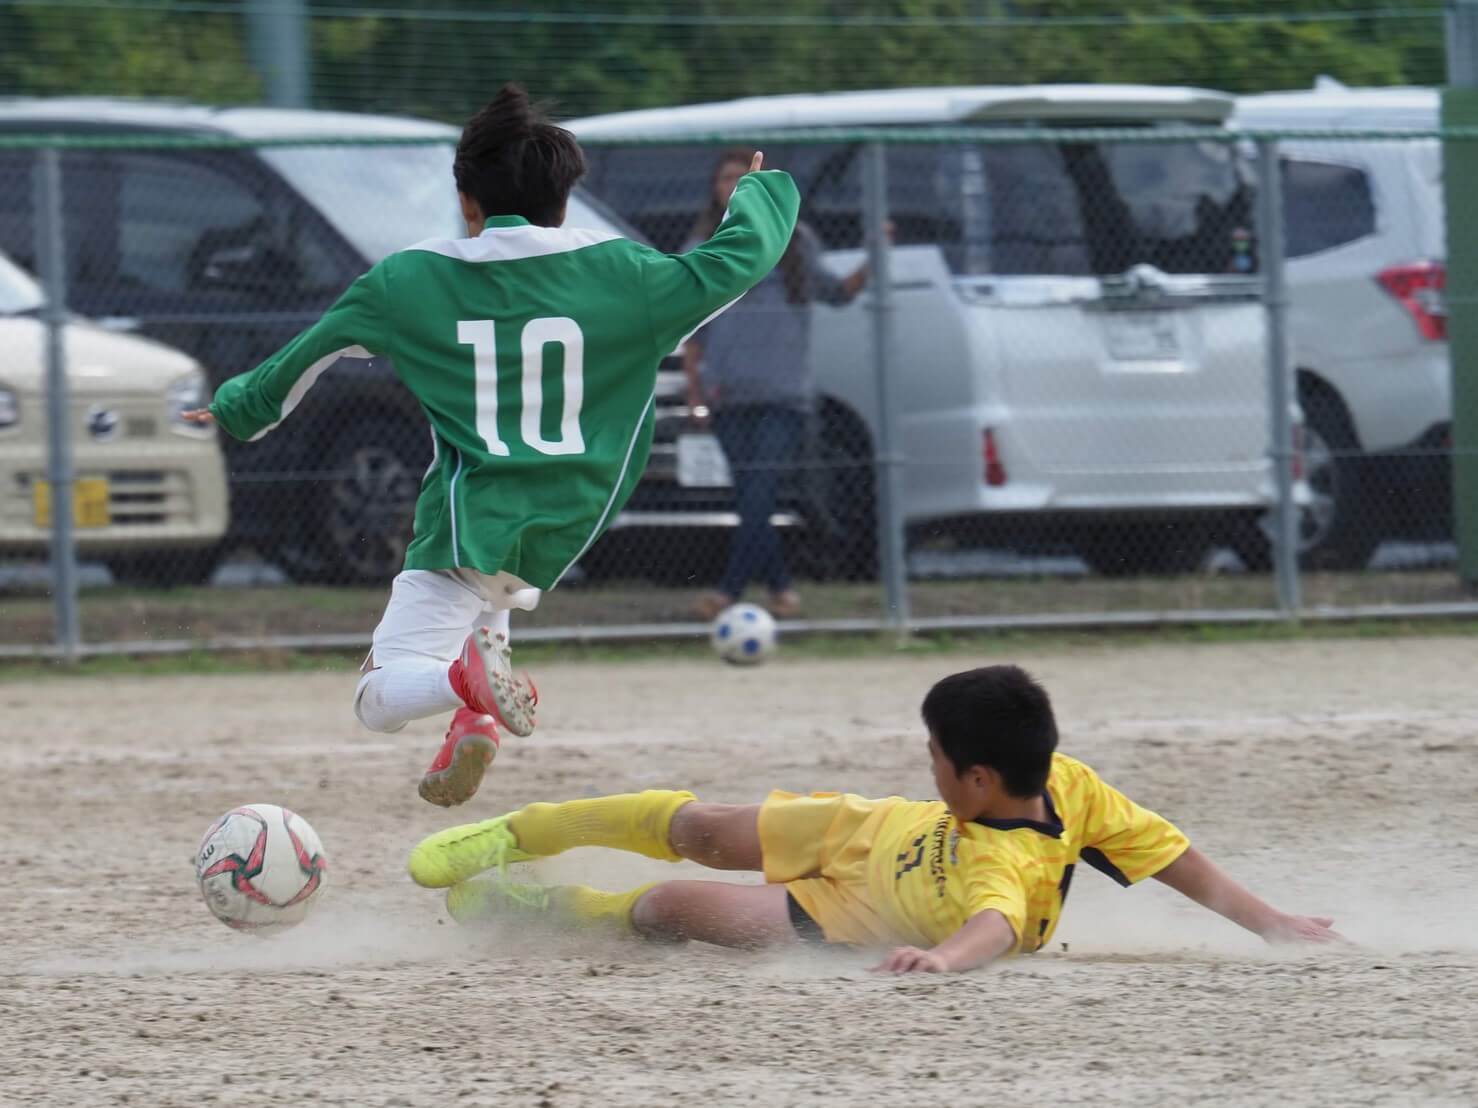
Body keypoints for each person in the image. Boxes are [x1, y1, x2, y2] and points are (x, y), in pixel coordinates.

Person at [186, 86, 799, 808]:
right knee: (487, 626)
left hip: (468, 521)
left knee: (380, 694)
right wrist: (757, 193)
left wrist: (234, 409)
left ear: (467, 202)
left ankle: (462, 687)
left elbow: (299, 363)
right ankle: (474, 715)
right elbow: (743, 255)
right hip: (568, 518)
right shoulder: (629, 277)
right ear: (563, 202)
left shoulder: (409, 282)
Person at [407, 664, 1343, 971]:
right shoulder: (1073, 783)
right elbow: (1179, 859)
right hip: (856, 832)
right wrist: (1269, 921)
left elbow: (994, 927)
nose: (926, 760)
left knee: (666, 909)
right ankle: (514, 833)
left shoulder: (1004, 867)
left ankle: (538, 910)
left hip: (840, 921)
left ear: (975, 780)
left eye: (935, 754)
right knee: (700, 824)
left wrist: (940, 961)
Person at [683, 149, 869, 621]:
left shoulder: (795, 241)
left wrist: (877, 256)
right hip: (728, 394)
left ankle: (728, 592)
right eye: (724, 178)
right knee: (750, 497)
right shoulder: (705, 244)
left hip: (784, 396)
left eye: (741, 178)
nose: (730, 186)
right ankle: (782, 589)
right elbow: (691, 333)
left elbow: (839, 292)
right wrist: (696, 394)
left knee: (759, 494)